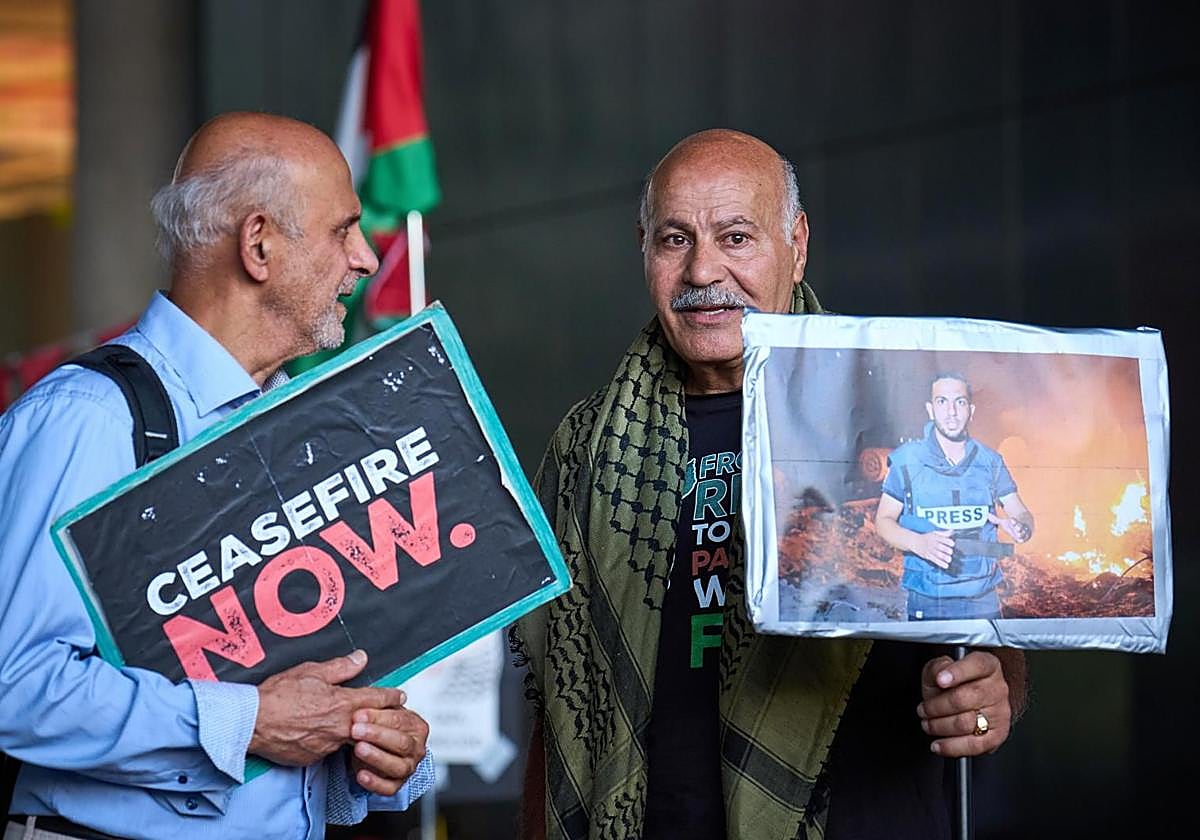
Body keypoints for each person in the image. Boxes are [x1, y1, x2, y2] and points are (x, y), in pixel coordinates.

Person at [511, 129, 1027, 839]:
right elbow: (556, 702)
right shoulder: (586, 447)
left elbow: (989, 618)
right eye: (674, 240)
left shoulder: (901, 415)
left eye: (736, 237)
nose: (703, 272)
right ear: (643, 249)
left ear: (798, 242)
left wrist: (994, 691)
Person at [0, 113, 433, 840]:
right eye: (342, 230)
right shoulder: (86, 419)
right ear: (258, 244)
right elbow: (14, 685)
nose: (364, 258)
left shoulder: (307, 434)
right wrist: (246, 721)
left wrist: (377, 753)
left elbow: (292, 731)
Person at [875, 373, 1036, 620]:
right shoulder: (907, 460)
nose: (951, 412)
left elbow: (1019, 510)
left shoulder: (990, 461)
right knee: (933, 661)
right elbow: (883, 521)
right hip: (927, 596)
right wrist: (918, 543)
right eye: (942, 402)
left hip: (982, 597)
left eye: (959, 402)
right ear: (930, 409)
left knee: (987, 659)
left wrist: (1021, 526)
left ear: (971, 410)